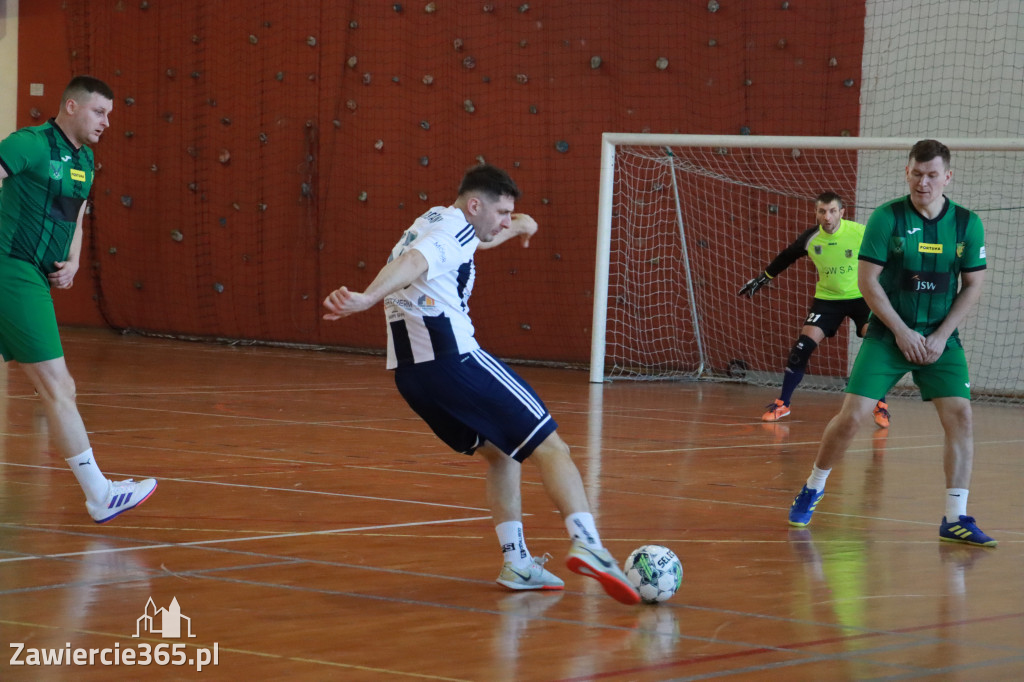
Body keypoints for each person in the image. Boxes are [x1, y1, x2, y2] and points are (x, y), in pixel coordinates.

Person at [323, 163, 641, 604]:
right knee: (552, 447)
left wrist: (517, 225)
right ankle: (589, 542)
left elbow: (466, 243)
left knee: (501, 455)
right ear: (475, 205)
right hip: (454, 360)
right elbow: (415, 262)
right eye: (503, 212)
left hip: (413, 376)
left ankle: (517, 562)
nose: (507, 220)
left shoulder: (436, 220)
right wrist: (367, 297)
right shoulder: (449, 235)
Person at [788, 140, 996, 547]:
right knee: (852, 418)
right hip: (888, 334)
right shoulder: (887, 218)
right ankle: (813, 486)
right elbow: (867, 283)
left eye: (933, 175)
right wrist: (902, 332)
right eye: (917, 174)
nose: (924, 182)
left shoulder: (968, 224)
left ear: (947, 177)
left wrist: (937, 337)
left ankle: (955, 517)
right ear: (907, 173)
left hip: (940, 340)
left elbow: (972, 285)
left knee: (962, 418)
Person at [0, 76, 157, 523]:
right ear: (71, 106)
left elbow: (77, 218)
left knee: (58, 386)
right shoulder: (30, 144)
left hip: (30, 275)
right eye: (99, 112)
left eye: (108, 114)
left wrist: (71, 259)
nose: (106, 122)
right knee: (58, 386)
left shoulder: (84, 160)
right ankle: (100, 494)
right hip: (11, 271)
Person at [739, 191, 890, 428]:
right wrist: (763, 278)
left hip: (862, 297)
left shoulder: (860, 232)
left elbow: (888, 253)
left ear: (842, 212)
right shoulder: (811, 238)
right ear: (816, 213)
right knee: (801, 348)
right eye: (822, 211)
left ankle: (880, 404)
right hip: (827, 300)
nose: (827, 217)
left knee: (876, 343)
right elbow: (787, 256)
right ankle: (783, 404)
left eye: (832, 211)